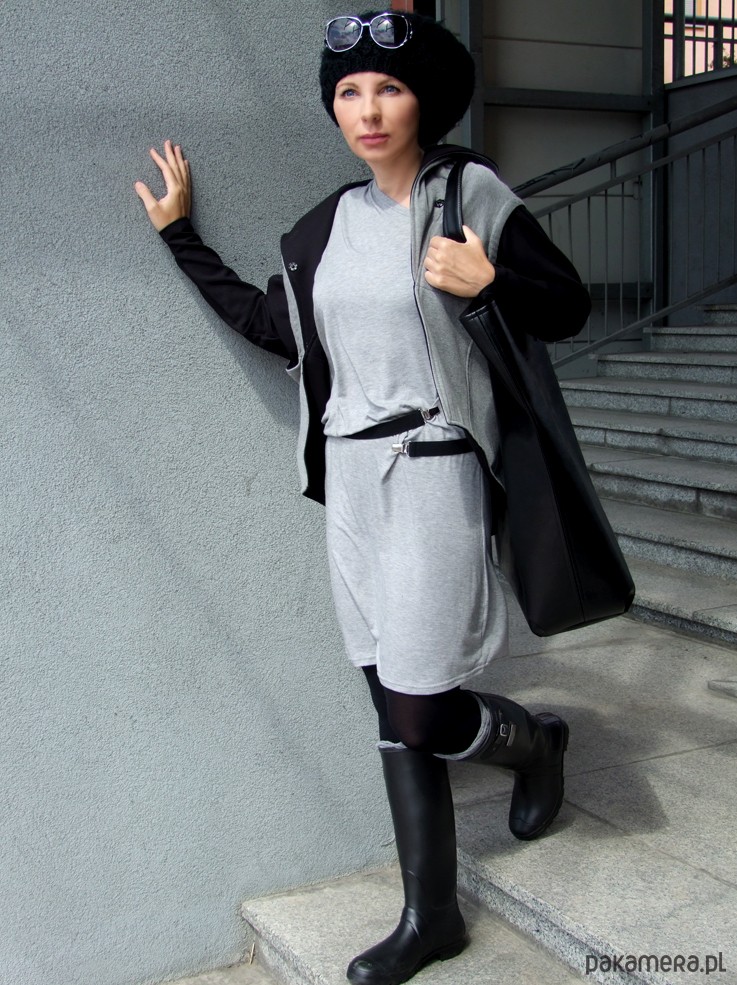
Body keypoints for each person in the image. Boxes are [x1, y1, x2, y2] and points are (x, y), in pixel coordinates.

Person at [135, 11, 591, 985]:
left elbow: (567, 306)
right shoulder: (322, 228)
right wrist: (179, 237)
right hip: (348, 478)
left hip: (433, 469)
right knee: (388, 694)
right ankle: (432, 916)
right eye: (348, 92)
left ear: (422, 100)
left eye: (388, 87)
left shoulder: (465, 193)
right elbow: (273, 325)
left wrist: (490, 281)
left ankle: (531, 742)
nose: (368, 109)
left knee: (422, 707)